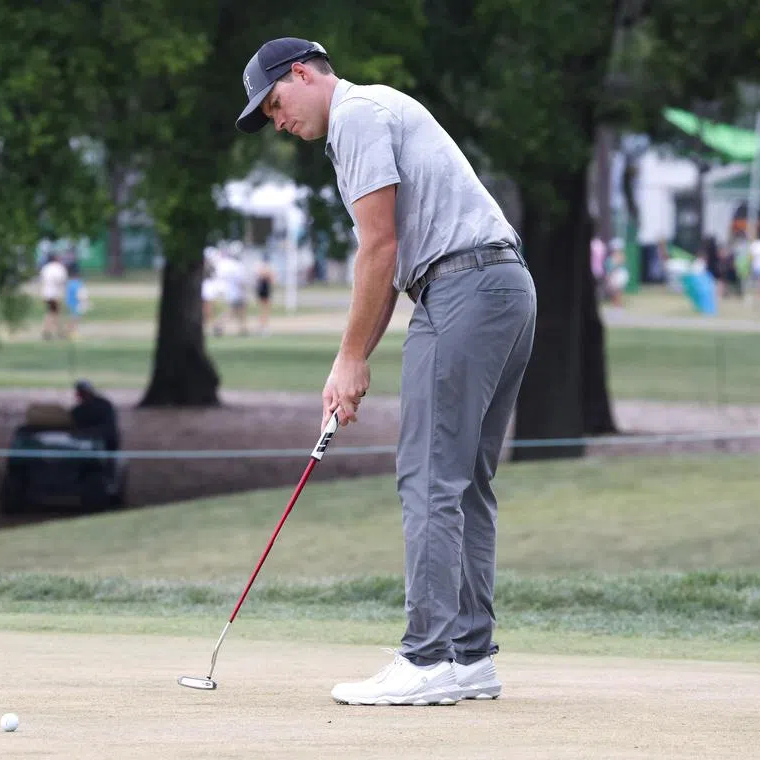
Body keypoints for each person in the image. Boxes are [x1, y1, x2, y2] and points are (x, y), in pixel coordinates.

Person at [236, 37, 536, 705]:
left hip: (461, 289)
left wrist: (348, 358)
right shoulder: (375, 112)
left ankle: (427, 658)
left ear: (303, 74)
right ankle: (468, 656)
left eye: (276, 104)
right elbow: (389, 261)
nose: (277, 122)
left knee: (430, 477)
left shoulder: (356, 116)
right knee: (463, 481)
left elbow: (380, 246)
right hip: (502, 287)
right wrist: (354, 362)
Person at [70, 380, 119, 453]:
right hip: (89, 439)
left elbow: (108, 428)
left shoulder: (104, 405)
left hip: (106, 441)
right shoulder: (78, 410)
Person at [38, 254, 69, 339]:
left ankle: (50, 331)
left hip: (46, 293)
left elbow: (41, 281)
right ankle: (57, 332)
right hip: (55, 293)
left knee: (52, 312)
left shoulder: (45, 268)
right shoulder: (59, 268)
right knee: (55, 313)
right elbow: (62, 280)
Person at [254, 253, 276, 334]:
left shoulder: (262, 266)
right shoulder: (263, 267)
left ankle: (262, 326)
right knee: (264, 309)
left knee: (264, 309)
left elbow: (271, 278)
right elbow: (268, 277)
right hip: (263, 288)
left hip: (264, 288)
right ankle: (262, 327)